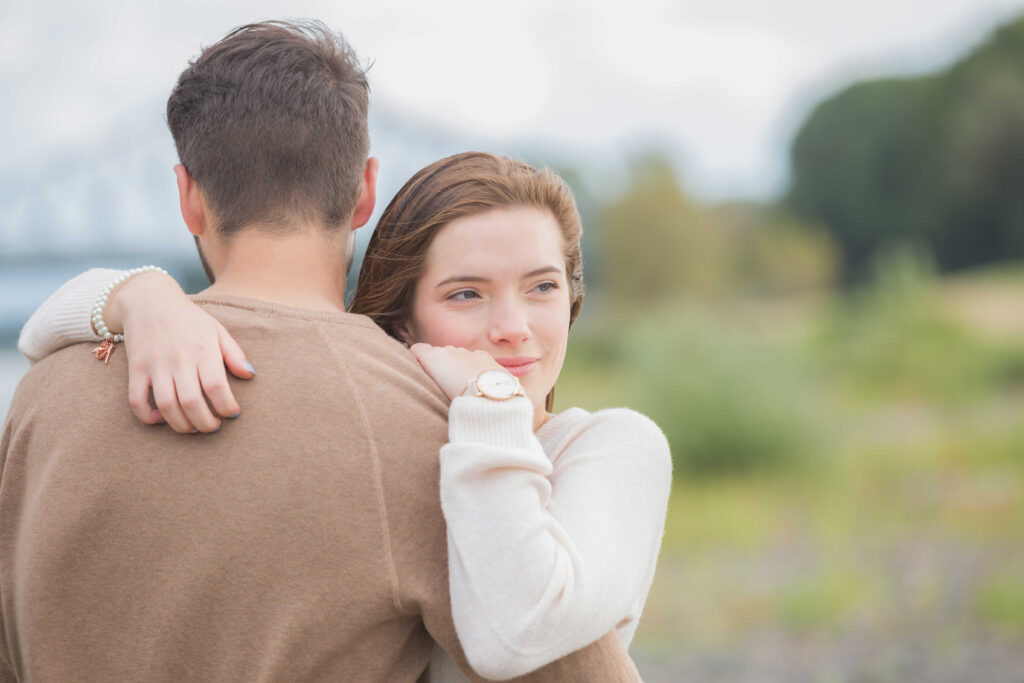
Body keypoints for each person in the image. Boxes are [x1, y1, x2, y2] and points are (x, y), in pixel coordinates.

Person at [1, 21, 644, 682]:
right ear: (366, 190)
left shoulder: (42, 395)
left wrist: (135, 292)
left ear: (188, 197)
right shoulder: (432, 427)